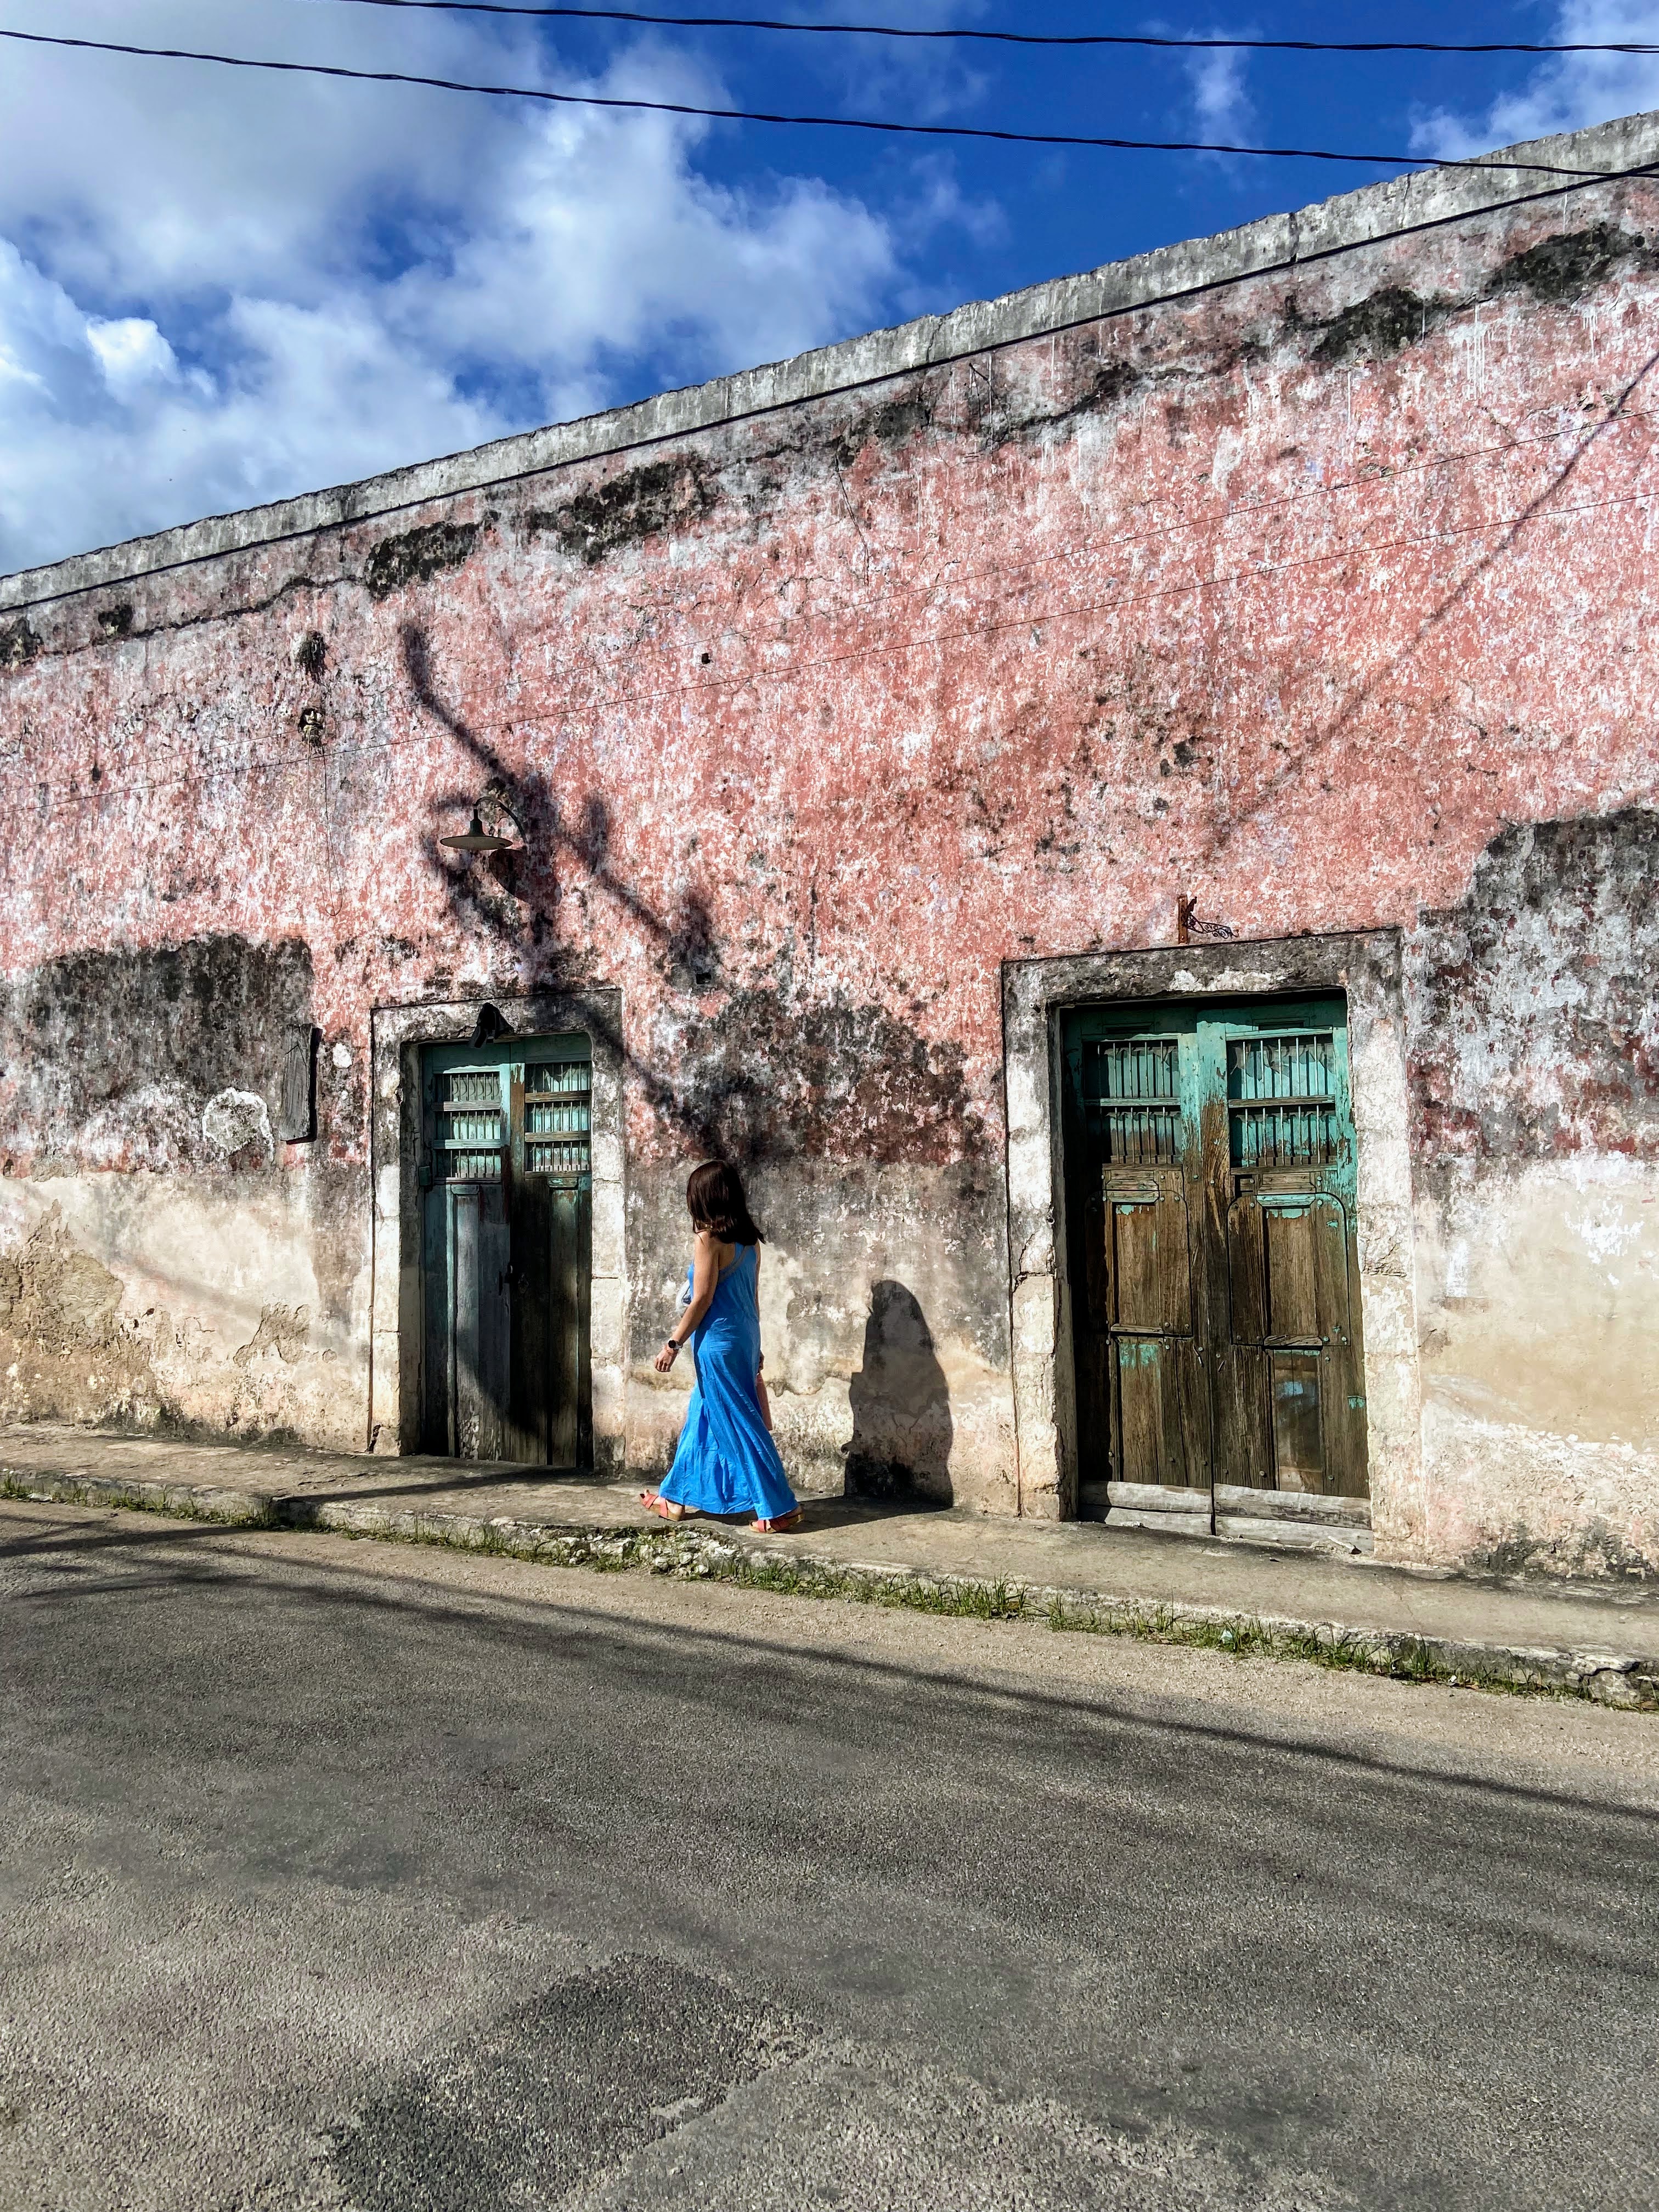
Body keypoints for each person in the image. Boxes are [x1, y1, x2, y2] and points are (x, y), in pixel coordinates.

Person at [641, 1160, 802, 1533]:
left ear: (705, 1199)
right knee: (702, 1416)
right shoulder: (750, 1242)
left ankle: (778, 1507)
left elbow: (701, 1299)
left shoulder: (708, 1240)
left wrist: (673, 1343)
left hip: (716, 1343)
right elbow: (752, 1298)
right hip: (744, 1338)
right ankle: (674, 1498)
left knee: (740, 1424)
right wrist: (756, 1345)